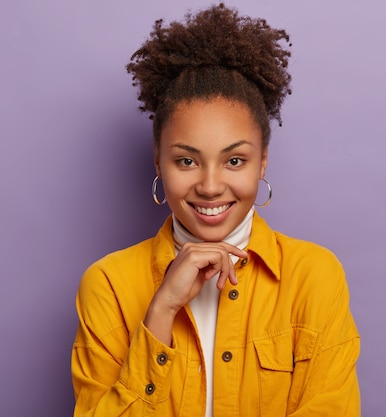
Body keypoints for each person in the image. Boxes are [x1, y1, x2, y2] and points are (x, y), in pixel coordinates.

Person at [71, 3, 360, 417]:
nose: (209, 186)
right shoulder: (108, 286)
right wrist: (162, 310)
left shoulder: (314, 277)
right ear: (158, 162)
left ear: (262, 162)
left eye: (235, 161)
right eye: (186, 161)